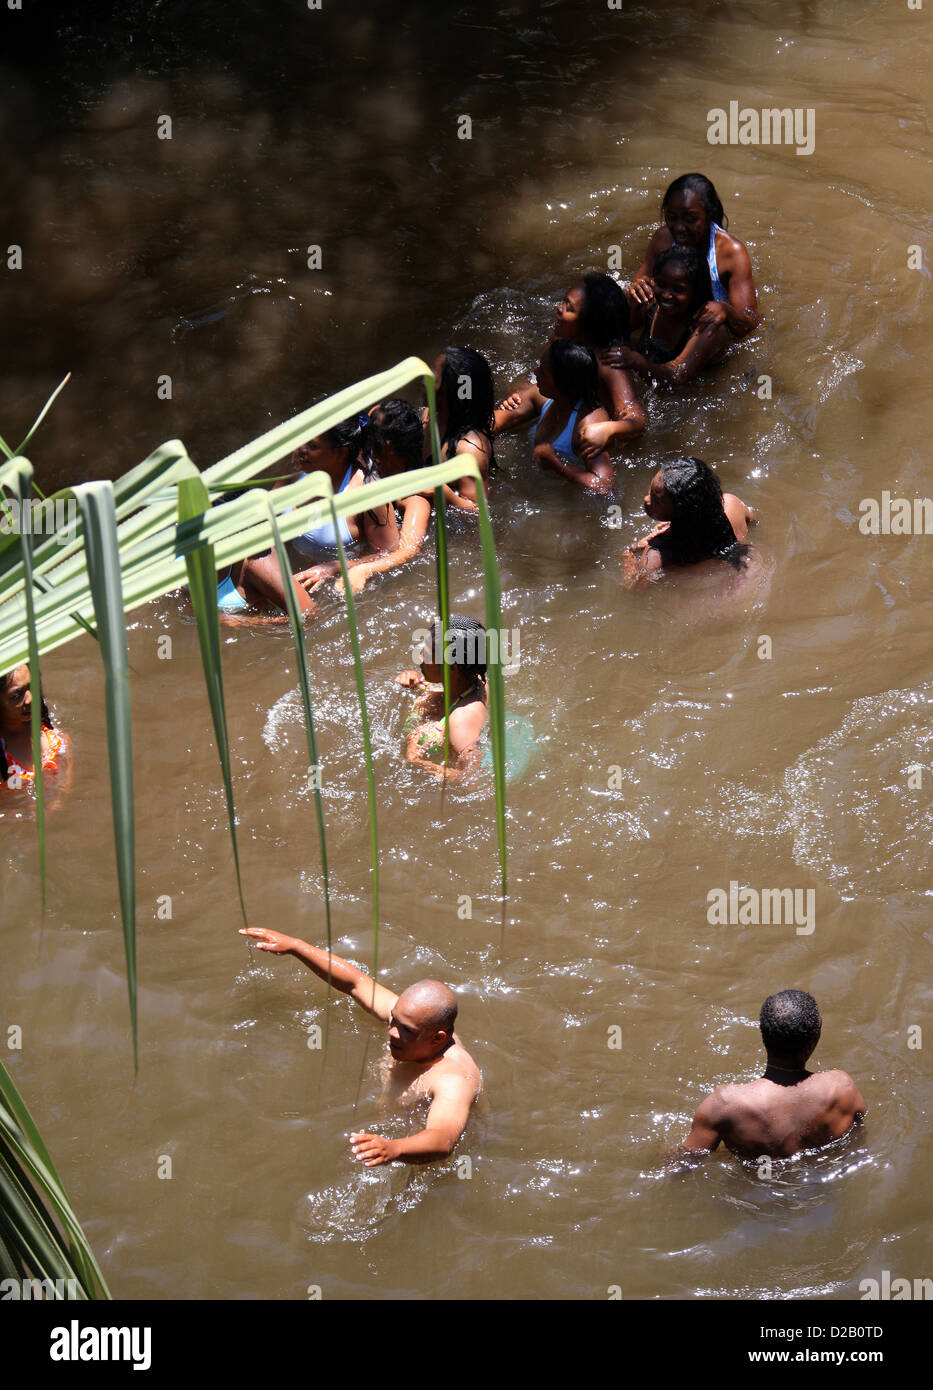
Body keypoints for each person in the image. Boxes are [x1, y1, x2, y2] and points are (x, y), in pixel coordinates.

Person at [239, 926, 481, 1165]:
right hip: (384, 1137)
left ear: (437, 1038)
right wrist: (296, 947)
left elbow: (443, 1140)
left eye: (406, 1030)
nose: (392, 1032)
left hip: (415, 1149)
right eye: (393, 1019)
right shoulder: (410, 1018)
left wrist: (395, 1148)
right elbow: (355, 983)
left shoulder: (453, 1078)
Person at [680, 990, 867, 1159]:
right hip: (821, 1190)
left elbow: (682, 1163)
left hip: (757, 1189)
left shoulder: (725, 1105)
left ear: (764, 1033)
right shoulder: (842, 1088)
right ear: (815, 1038)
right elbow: (857, 1138)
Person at [495, 271, 646, 458]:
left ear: (589, 327)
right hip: (558, 408)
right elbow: (536, 374)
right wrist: (518, 393)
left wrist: (608, 429)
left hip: (583, 431)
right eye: (564, 301)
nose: (559, 308)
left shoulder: (608, 360)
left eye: (570, 308)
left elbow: (636, 421)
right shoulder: (559, 337)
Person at [304, 399, 433, 597]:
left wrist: (353, 568)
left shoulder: (416, 497)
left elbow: (407, 552)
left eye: (370, 435)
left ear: (386, 448)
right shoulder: (372, 468)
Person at [629, 172, 760, 340]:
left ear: (710, 213)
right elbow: (639, 290)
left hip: (707, 335)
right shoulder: (663, 239)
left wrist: (725, 311)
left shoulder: (731, 253)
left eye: (690, 219)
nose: (679, 228)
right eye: (671, 218)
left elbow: (750, 321)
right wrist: (637, 289)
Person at [284, 416, 400, 591]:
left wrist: (337, 567)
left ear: (341, 452)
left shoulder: (368, 493)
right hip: (291, 570)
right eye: (302, 439)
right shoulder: (298, 467)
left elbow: (392, 554)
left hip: (334, 586)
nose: (300, 449)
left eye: (312, 446)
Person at [499, 340, 614, 493]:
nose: (535, 372)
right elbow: (493, 422)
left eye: (543, 372)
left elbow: (605, 486)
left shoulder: (589, 425)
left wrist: (557, 464)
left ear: (563, 385)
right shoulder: (543, 397)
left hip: (568, 501)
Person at [622, 456, 755, 586]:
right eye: (650, 491)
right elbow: (754, 523)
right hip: (740, 575)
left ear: (681, 513)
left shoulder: (656, 554)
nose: (646, 500)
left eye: (656, 501)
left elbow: (635, 588)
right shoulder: (733, 504)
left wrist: (629, 552)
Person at [610, 246, 729, 386]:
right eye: (661, 285)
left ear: (696, 291)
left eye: (678, 289)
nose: (666, 295)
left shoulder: (707, 326)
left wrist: (635, 361)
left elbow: (676, 376)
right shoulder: (650, 304)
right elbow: (613, 335)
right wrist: (631, 302)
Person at [397, 614, 489, 780]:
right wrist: (416, 681)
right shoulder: (477, 681)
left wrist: (416, 761)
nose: (420, 658)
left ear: (451, 667)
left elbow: (472, 780)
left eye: (426, 653)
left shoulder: (460, 722)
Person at [422, 346, 497, 509]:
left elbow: (478, 513)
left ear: (450, 391)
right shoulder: (430, 415)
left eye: (433, 378)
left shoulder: (469, 451)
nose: (423, 381)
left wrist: (442, 492)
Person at [0, 664, 68, 788]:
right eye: (16, 696)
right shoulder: (2, 759)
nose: (30, 699)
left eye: (31, 686)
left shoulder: (47, 724)